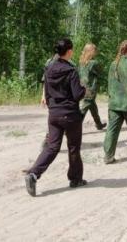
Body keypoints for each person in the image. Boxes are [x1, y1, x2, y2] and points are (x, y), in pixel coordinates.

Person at [25, 38, 86, 196]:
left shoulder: (49, 69)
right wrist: (84, 88)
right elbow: (78, 94)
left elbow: (47, 93)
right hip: (70, 115)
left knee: (52, 147)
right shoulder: (71, 71)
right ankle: (75, 179)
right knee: (73, 148)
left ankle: (33, 174)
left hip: (53, 114)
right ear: (69, 51)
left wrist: (53, 107)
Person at [78, 43, 107, 130]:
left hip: (83, 88)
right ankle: (73, 127)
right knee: (84, 109)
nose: (96, 53)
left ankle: (98, 124)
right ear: (91, 52)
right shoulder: (94, 63)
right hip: (91, 90)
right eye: (94, 51)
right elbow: (101, 74)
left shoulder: (81, 63)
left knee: (93, 107)